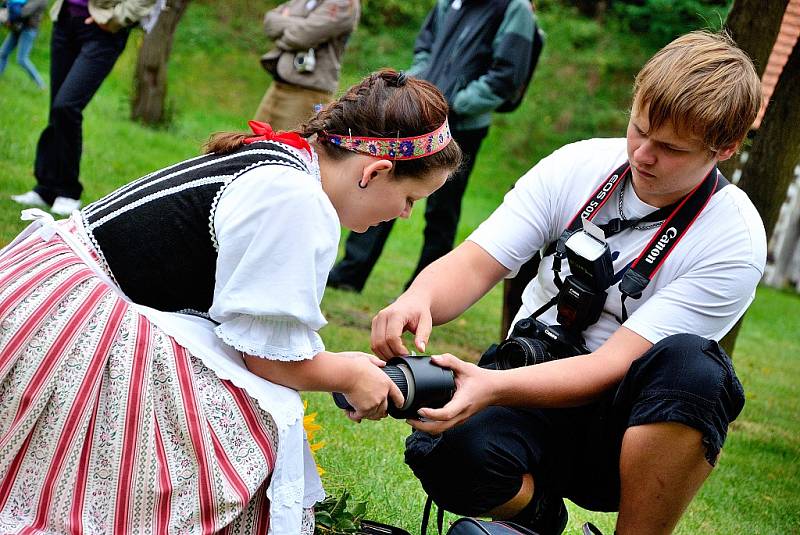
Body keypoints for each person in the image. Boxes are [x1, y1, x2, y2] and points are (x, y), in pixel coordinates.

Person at [0, 69, 461, 534]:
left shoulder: (284, 159)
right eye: (409, 198)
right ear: (375, 172)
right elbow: (264, 359)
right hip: (71, 328)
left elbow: (254, 335)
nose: (404, 214)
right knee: (236, 436)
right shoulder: (296, 201)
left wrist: (341, 365)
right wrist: (349, 376)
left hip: (46, 289)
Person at [370, 32, 765, 535]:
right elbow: (477, 262)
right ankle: (537, 520)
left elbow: (609, 366)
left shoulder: (733, 238)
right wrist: (418, 297)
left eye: (670, 148)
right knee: (447, 452)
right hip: (531, 383)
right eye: (639, 129)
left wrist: (489, 387)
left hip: (628, 425)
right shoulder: (578, 164)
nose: (643, 155)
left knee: (696, 369)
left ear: (725, 148)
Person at [328, 0, 536, 293]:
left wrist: (458, 103)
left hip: (463, 125)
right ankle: (349, 274)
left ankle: (422, 291)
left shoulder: (514, 9)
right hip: (420, 117)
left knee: (442, 209)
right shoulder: (448, 2)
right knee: (386, 186)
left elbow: (508, 75)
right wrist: (420, 93)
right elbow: (425, 48)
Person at [10, 0, 158, 216]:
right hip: (65, 21)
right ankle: (46, 188)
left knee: (66, 106)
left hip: (103, 31)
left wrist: (115, 18)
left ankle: (69, 191)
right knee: (57, 110)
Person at [254, 0, 359, 131]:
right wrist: (302, 25)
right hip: (278, 86)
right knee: (254, 143)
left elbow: (302, 36)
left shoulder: (343, 4)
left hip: (307, 93)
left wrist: (286, 23)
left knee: (290, 148)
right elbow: (270, 22)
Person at [0, 0, 47, 89]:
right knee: (2, 53)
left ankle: (41, 85)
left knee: (22, 59)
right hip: (17, 27)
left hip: (29, 30)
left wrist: (9, 14)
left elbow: (24, 12)